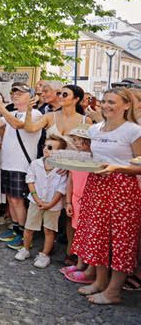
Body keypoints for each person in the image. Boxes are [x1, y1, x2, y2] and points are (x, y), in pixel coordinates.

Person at [71, 88, 141, 305]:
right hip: (96, 186)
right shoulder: (95, 130)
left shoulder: (133, 130)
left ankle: (113, 291)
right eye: (104, 101)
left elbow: (139, 165)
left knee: (121, 240)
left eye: (112, 102)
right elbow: (95, 159)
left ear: (126, 105)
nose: (106, 105)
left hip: (122, 189)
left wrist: (115, 168)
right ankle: (100, 282)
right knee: (97, 236)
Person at [0, 82, 43, 250]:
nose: (16, 95)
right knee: (11, 200)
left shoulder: (34, 113)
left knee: (18, 200)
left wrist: (1, 107)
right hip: (8, 162)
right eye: (14, 92)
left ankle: (24, 236)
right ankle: (15, 228)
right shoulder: (12, 112)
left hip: (22, 164)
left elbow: (17, 125)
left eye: (20, 92)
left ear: (31, 97)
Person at [14, 135, 68, 268]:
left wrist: (50, 204)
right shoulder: (36, 163)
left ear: (59, 152)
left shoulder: (62, 170)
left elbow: (62, 188)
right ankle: (25, 249)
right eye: (44, 146)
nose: (45, 149)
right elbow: (30, 180)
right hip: (35, 202)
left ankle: (44, 255)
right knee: (29, 227)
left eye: (50, 147)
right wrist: (37, 199)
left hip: (53, 204)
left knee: (49, 230)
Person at [62, 124, 95, 284]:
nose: (76, 143)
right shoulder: (74, 159)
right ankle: (80, 263)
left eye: (79, 140)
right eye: (74, 140)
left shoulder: (95, 160)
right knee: (78, 232)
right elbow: (70, 181)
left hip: (88, 201)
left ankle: (88, 266)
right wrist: (68, 201)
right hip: (75, 200)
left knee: (89, 234)